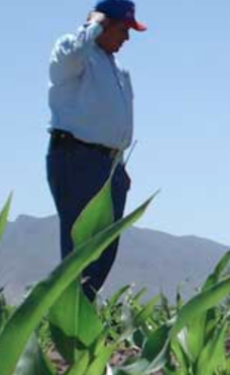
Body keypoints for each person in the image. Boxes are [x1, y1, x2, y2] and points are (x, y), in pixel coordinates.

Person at [46, 0, 146, 300]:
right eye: (122, 29)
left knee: (104, 245)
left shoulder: (115, 68)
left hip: (110, 165)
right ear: (103, 24)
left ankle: (83, 306)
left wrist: (120, 166)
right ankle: (68, 314)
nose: (127, 38)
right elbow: (73, 51)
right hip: (77, 158)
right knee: (81, 244)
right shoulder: (75, 55)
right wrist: (93, 24)